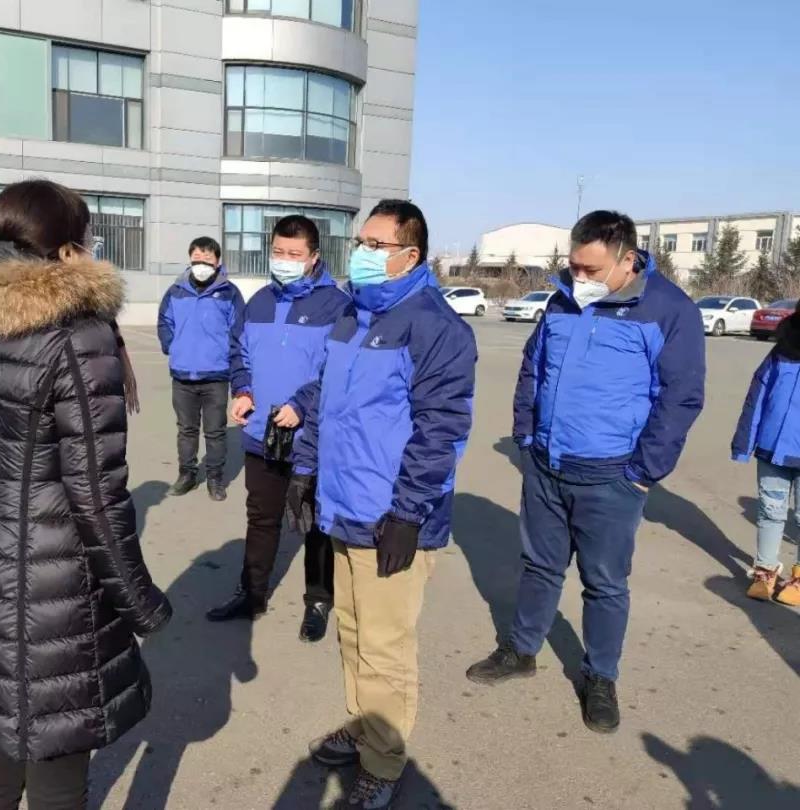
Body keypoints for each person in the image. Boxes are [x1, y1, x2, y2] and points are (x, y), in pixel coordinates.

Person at [0, 179, 171, 810]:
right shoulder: (76, 334)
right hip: (53, 591)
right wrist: (140, 602)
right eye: (86, 235)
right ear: (67, 247)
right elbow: (97, 496)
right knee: (59, 781)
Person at [466, 210, 705, 735]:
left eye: (591, 269)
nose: (579, 277)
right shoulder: (562, 300)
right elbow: (533, 368)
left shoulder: (669, 310)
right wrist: (526, 438)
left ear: (627, 260)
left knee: (605, 583)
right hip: (546, 466)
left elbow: (681, 398)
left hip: (611, 477)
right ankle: (521, 650)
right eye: (574, 266)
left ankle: (600, 676)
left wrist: (641, 472)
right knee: (539, 566)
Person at [289, 200, 476, 809]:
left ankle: (384, 763)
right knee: (351, 631)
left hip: (390, 518)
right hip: (342, 506)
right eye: (361, 242)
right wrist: (305, 470)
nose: (362, 252)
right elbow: (324, 399)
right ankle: (363, 725)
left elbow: (440, 430)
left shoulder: (436, 327)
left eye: (376, 244)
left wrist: (407, 514)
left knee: (384, 647)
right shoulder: (352, 314)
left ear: (409, 255)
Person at [206, 215, 350, 644]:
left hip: (311, 436)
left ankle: (318, 600)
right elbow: (239, 352)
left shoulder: (337, 305)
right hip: (262, 433)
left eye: (294, 254)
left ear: (314, 257)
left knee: (316, 521)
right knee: (261, 517)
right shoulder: (259, 301)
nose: (284, 260)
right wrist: (243, 390)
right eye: (278, 252)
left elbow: (339, 370)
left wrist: (303, 404)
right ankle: (251, 594)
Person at [157, 237, 245, 501]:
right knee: (186, 430)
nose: (201, 264)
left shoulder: (229, 293)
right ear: (189, 259)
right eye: (197, 258)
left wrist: (228, 358)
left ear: (217, 262)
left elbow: (239, 330)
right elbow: (164, 322)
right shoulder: (176, 291)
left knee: (215, 431)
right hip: (183, 375)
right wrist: (173, 347)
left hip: (215, 375)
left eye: (207, 259)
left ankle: (215, 479)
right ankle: (187, 475)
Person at [731, 301, 800, 605]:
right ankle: (765, 572)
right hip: (772, 448)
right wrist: (744, 443)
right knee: (770, 511)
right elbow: (757, 396)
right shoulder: (781, 351)